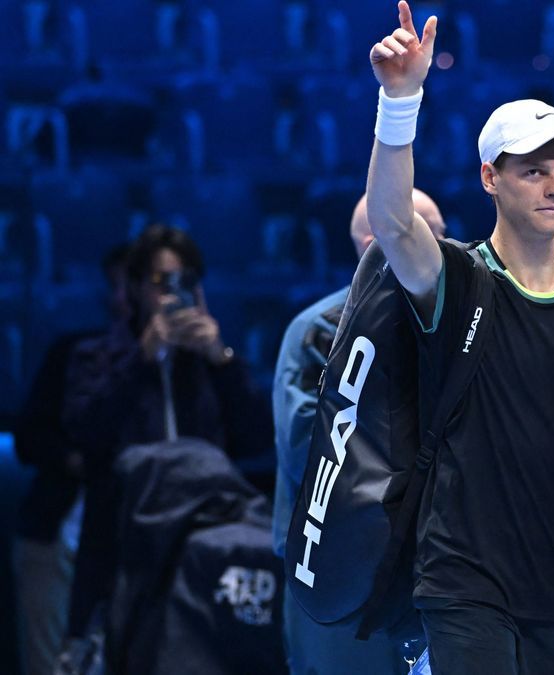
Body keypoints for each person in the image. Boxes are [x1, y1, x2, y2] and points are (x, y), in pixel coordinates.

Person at [363, 3, 554, 672]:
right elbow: (391, 221)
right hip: (463, 580)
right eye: (533, 171)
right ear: (491, 178)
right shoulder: (459, 277)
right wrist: (399, 100)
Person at [61, 223, 272, 641]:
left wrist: (221, 360)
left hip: (202, 548)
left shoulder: (214, 364)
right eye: (161, 282)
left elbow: (258, 439)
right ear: (137, 287)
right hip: (123, 547)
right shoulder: (96, 357)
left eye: (185, 282)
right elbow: (85, 433)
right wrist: (141, 359)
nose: (171, 294)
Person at [271, 189, 444, 674]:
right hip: (334, 568)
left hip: (429, 572)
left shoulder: (454, 331)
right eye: (432, 234)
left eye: (445, 235)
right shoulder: (319, 331)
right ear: (378, 242)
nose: (445, 249)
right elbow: (307, 449)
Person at [11, 244, 129, 675]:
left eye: (135, 286)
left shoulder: (179, 364)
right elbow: (30, 438)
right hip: (59, 531)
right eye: (118, 285)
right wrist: (83, 463)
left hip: (136, 543)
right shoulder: (75, 352)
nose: (125, 298)